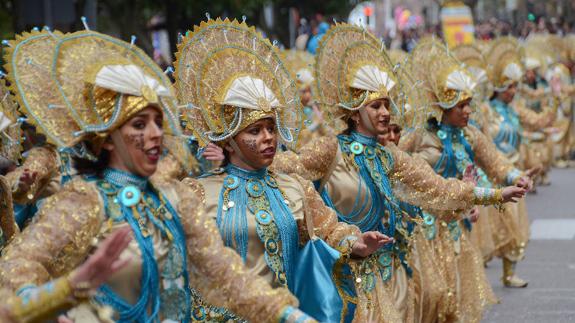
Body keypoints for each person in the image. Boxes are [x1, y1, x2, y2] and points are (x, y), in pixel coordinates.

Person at [0, 28, 312, 322]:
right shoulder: (84, 201)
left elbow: (224, 272)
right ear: (107, 138)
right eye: (138, 125)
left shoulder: (175, 198)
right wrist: (60, 299)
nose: (154, 135)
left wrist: (287, 315)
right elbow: (17, 268)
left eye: (157, 122)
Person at [272, 23, 526, 322]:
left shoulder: (390, 156)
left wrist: (494, 194)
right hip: (342, 275)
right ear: (354, 111)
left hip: (390, 272)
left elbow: (438, 188)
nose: (385, 113)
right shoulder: (330, 149)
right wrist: (226, 152)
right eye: (376, 106)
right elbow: (284, 167)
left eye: (387, 105)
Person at [173, 18, 389, 322]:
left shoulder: (294, 186)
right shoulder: (196, 192)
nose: (268, 138)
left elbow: (328, 229)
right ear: (229, 140)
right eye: (255, 130)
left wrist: (355, 242)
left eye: (272, 128)